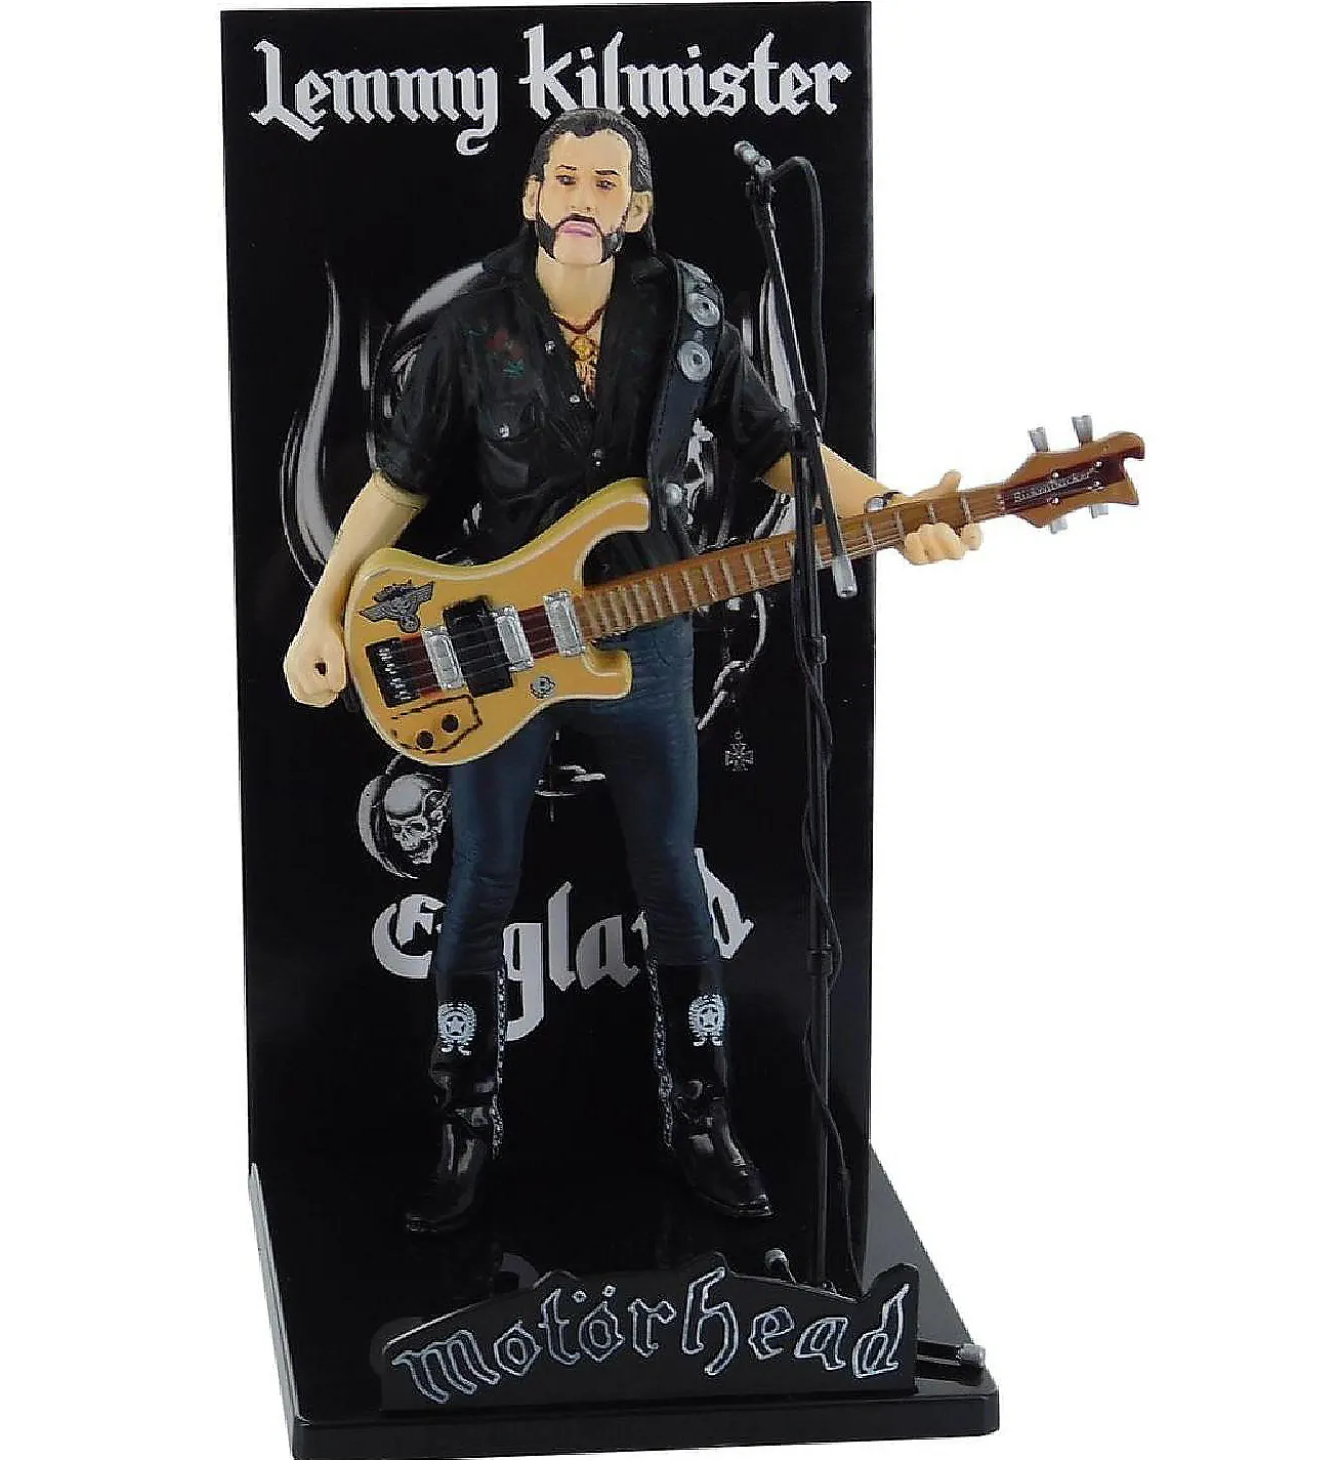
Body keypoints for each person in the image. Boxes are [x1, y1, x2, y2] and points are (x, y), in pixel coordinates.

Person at [283, 109, 980, 1235]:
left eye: (606, 181)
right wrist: (325, 608)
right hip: (496, 635)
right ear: (530, 195)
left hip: (646, 625)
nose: (581, 194)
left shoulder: (689, 311)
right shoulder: (472, 324)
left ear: (636, 207)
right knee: (481, 876)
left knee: (670, 869)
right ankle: (464, 1120)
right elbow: (398, 484)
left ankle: (701, 1114)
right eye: (563, 176)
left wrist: (895, 511)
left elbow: (778, 450)